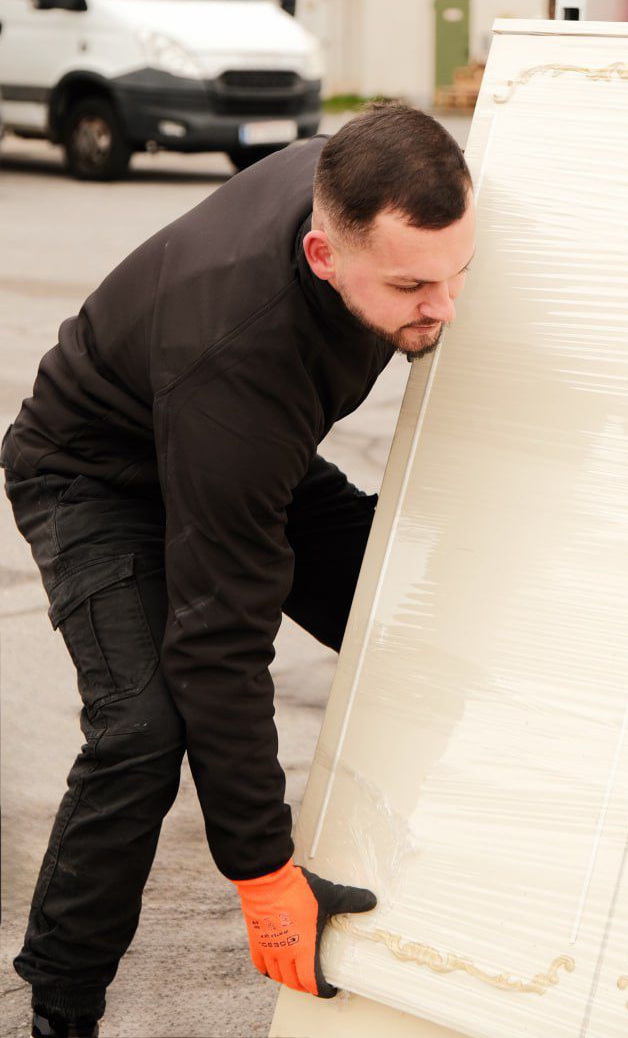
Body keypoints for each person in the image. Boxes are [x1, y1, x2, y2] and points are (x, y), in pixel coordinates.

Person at [1, 101, 476, 1038]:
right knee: (144, 728)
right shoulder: (239, 352)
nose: (443, 306)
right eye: (415, 286)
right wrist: (261, 873)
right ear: (322, 256)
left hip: (249, 453)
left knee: (408, 616)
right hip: (99, 477)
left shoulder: (367, 183)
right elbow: (219, 640)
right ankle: (60, 1007)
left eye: (457, 273)